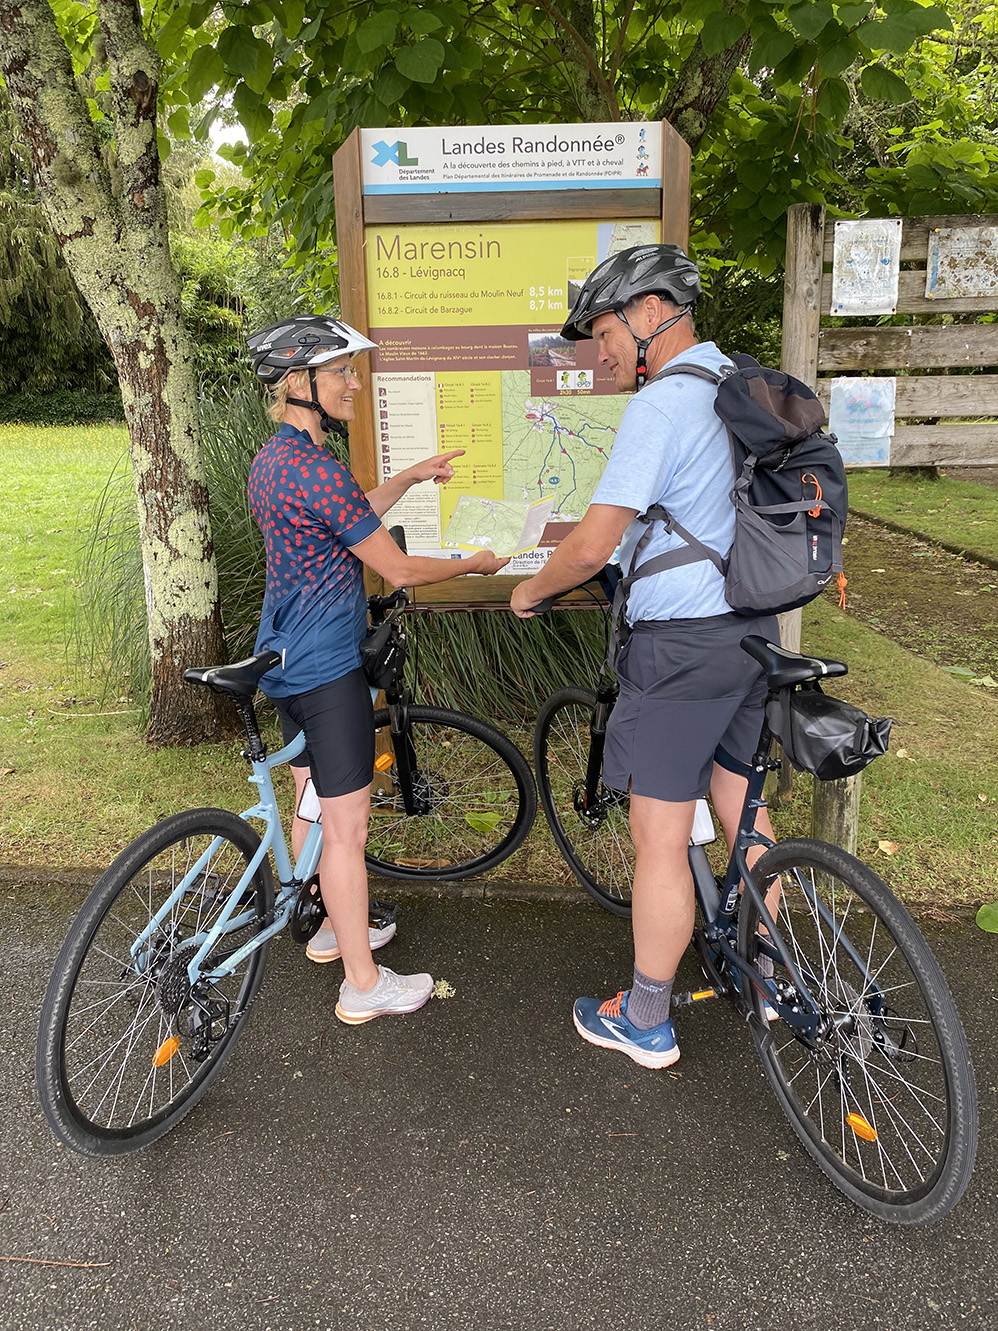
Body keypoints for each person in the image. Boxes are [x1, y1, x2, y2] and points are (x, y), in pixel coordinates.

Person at [510, 245, 779, 1069]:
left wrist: (530, 592)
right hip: (751, 634)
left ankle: (647, 1018)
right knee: (745, 809)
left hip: (682, 650)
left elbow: (593, 542)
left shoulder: (662, 407)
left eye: (605, 331)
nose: (604, 351)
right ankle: (774, 973)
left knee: (660, 837)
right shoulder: (741, 384)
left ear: (651, 310)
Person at [247, 316, 508, 1025]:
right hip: (329, 670)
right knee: (347, 828)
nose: (353, 382)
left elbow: (349, 514)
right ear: (300, 383)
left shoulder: (274, 461)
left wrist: (413, 476)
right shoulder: (317, 470)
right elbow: (393, 565)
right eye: (340, 373)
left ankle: (332, 924)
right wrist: (473, 563)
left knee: (311, 799)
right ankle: (362, 983)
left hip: (283, 661)